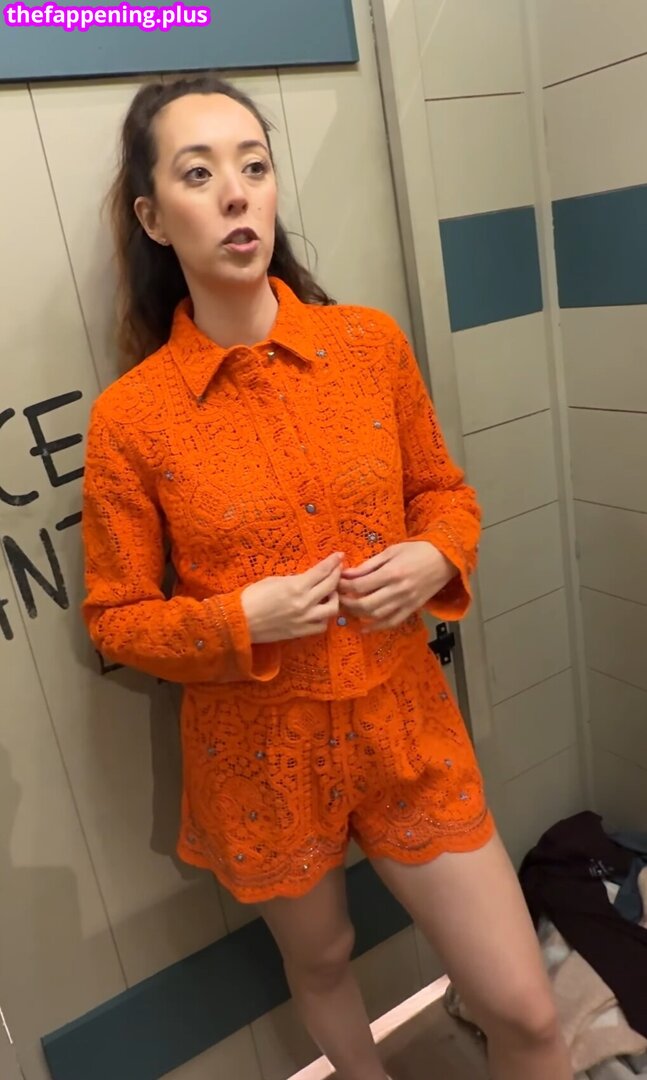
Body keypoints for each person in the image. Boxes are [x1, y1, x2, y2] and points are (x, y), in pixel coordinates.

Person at [81, 74, 573, 1080]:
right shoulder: (131, 420)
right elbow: (115, 619)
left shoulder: (366, 346)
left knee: (525, 1011)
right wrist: (238, 619)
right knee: (322, 958)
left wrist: (435, 555)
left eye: (254, 166)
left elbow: (444, 494)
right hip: (258, 756)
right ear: (153, 218)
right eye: (198, 173)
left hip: (404, 723)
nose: (236, 193)